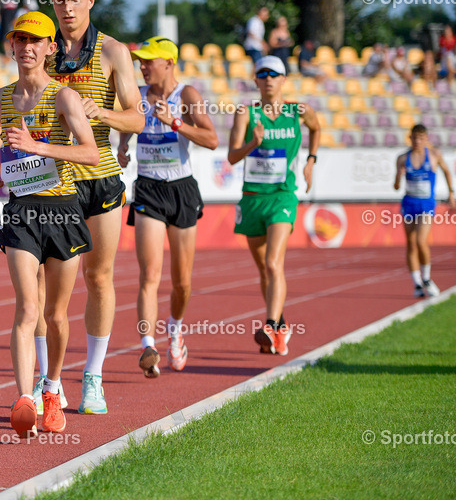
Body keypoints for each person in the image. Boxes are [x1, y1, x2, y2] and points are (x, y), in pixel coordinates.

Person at [0, 11, 99, 438]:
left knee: (56, 314)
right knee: (27, 307)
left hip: (63, 210)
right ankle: (24, 400)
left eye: (36, 41)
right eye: (20, 40)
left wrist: (38, 146)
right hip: (22, 211)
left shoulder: (64, 98)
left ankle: (52, 387)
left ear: (51, 48)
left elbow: (90, 154)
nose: (27, 48)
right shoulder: (0, 97)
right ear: (11, 46)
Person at [38, 0, 144, 415]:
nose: (66, 7)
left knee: (99, 277)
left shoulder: (114, 51)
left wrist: (98, 113)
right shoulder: (42, 48)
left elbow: (137, 118)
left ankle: (94, 379)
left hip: (99, 177)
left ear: (90, 0)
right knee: (46, 288)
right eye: (59, 0)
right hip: (51, 180)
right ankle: (49, 382)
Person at [117, 36, 218, 376]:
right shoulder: (137, 95)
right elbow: (126, 124)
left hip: (181, 190)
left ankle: (175, 330)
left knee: (182, 282)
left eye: (149, 61)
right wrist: (123, 145)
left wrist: (175, 122)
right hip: (147, 188)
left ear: (169, 63)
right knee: (149, 276)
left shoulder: (187, 95)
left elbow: (212, 140)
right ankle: (148, 347)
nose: (142, 66)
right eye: (140, 61)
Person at [228, 56, 320, 356]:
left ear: (284, 80)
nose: (268, 79)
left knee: (272, 263)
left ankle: (269, 325)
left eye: (274, 74)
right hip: (253, 199)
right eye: (262, 74)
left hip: (283, 196)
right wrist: (252, 143)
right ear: (255, 81)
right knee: (265, 272)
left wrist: (310, 161)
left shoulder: (299, 110)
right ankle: (281, 327)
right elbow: (231, 157)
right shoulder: (247, 113)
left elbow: (317, 129)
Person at [394, 125, 454, 298]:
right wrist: (399, 175)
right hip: (409, 203)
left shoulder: (434, 155)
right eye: (414, 138)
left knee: (421, 240)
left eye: (421, 138)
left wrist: (451, 193)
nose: (417, 141)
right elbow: (396, 185)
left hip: (426, 204)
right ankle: (417, 284)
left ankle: (427, 278)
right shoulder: (402, 158)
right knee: (411, 244)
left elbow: (447, 171)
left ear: (426, 138)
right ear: (410, 138)